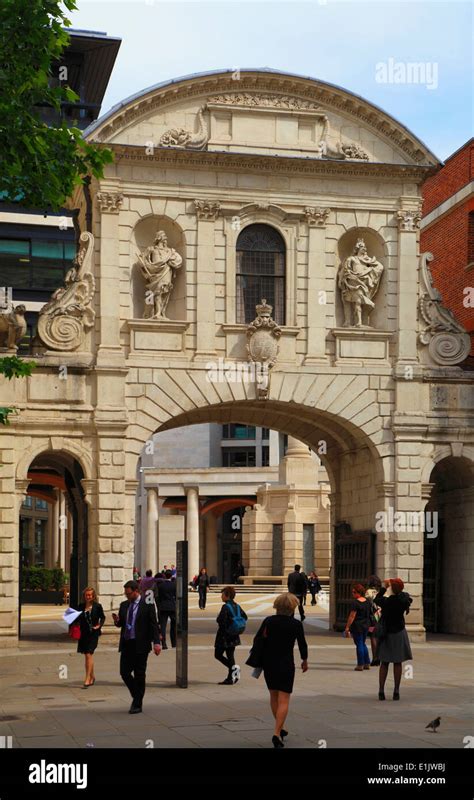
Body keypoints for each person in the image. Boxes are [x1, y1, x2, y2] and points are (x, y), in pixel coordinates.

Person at [254, 593, 308, 748]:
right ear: (292, 608)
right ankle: (276, 733)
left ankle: (281, 728)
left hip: (269, 662)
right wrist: (304, 660)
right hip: (286, 663)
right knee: (284, 698)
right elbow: (302, 644)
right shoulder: (296, 624)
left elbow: (258, 639)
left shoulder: (268, 621)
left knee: (274, 696)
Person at [113, 580, 162, 714]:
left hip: (141, 644)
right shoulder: (124, 605)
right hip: (127, 643)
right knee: (124, 672)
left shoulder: (147, 604)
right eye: (125, 593)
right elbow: (122, 623)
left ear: (136, 591)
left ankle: (137, 703)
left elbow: (153, 624)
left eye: (129, 593)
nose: (126, 596)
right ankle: (137, 695)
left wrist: (157, 643)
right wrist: (117, 621)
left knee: (139, 674)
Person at [375, 578, 413, 701]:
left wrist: (384, 588)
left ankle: (381, 690)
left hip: (387, 633)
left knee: (384, 663)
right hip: (399, 632)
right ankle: (396, 691)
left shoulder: (388, 601)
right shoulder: (404, 600)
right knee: (398, 662)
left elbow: (377, 599)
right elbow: (404, 596)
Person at [214, 586, 248, 685]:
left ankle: (234, 670)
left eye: (222, 594)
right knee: (230, 655)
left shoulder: (225, 607)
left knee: (218, 655)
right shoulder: (237, 606)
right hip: (234, 635)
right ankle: (231, 678)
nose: (221, 596)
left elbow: (221, 621)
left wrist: (226, 622)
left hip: (224, 636)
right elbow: (245, 616)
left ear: (227, 595)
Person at [75, 587, 105, 688]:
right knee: (88, 656)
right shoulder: (80, 606)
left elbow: (103, 617)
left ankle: (87, 678)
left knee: (88, 654)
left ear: (93, 596)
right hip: (84, 634)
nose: (88, 597)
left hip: (93, 634)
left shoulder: (97, 606)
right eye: (86, 595)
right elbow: (75, 617)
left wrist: (99, 625)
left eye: (90, 595)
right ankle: (92, 676)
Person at [344, 583, 371, 670]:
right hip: (366, 625)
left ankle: (360, 664)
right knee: (363, 643)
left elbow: (352, 616)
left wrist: (347, 627)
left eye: (354, 592)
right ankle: (367, 662)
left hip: (357, 626)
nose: (352, 594)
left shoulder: (356, 603)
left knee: (359, 644)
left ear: (358, 592)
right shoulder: (367, 602)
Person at [157, 569, 177, 649]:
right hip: (172, 606)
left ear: (164, 576)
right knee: (173, 626)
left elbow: (159, 597)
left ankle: (164, 643)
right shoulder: (174, 585)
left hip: (163, 606)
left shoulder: (160, 585)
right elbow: (176, 596)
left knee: (163, 626)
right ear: (171, 576)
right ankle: (174, 643)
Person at [365, 575, 382, 666]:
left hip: (373, 618)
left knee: (373, 636)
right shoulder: (381, 592)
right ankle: (380, 656)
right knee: (379, 637)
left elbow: (367, 604)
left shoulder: (369, 592)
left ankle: (375, 657)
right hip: (381, 616)